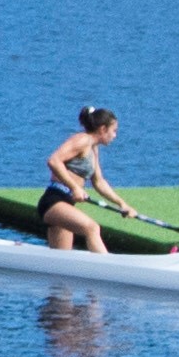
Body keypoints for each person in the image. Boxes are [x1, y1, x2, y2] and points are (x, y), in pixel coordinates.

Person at [40, 107, 129, 251]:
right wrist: (75, 188)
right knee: (92, 228)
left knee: (62, 259)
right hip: (54, 201)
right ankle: (106, 265)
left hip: (67, 203)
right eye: (114, 131)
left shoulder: (93, 148)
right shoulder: (82, 140)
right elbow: (54, 161)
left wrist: (122, 204)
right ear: (103, 129)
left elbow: (98, 182)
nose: (115, 135)